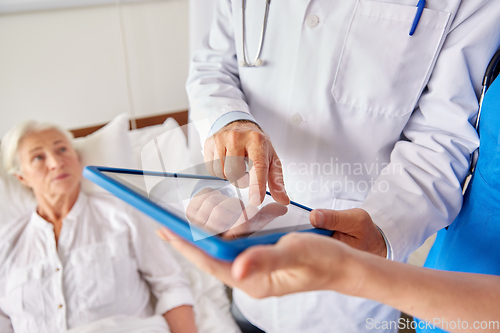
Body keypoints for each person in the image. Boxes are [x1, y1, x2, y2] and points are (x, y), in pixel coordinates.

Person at [185, 0, 500, 331]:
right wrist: (228, 120)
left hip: (352, 300)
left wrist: (381, 230)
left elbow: (441, 140)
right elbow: (212, 64)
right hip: (246, 266)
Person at [0, 121, 197, 333]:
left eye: (62, 149)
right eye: (38, 157)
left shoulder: (122, 214)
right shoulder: (7, 244)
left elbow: (171, 285)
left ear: (76, 157)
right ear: (21, 177)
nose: (56, 162)